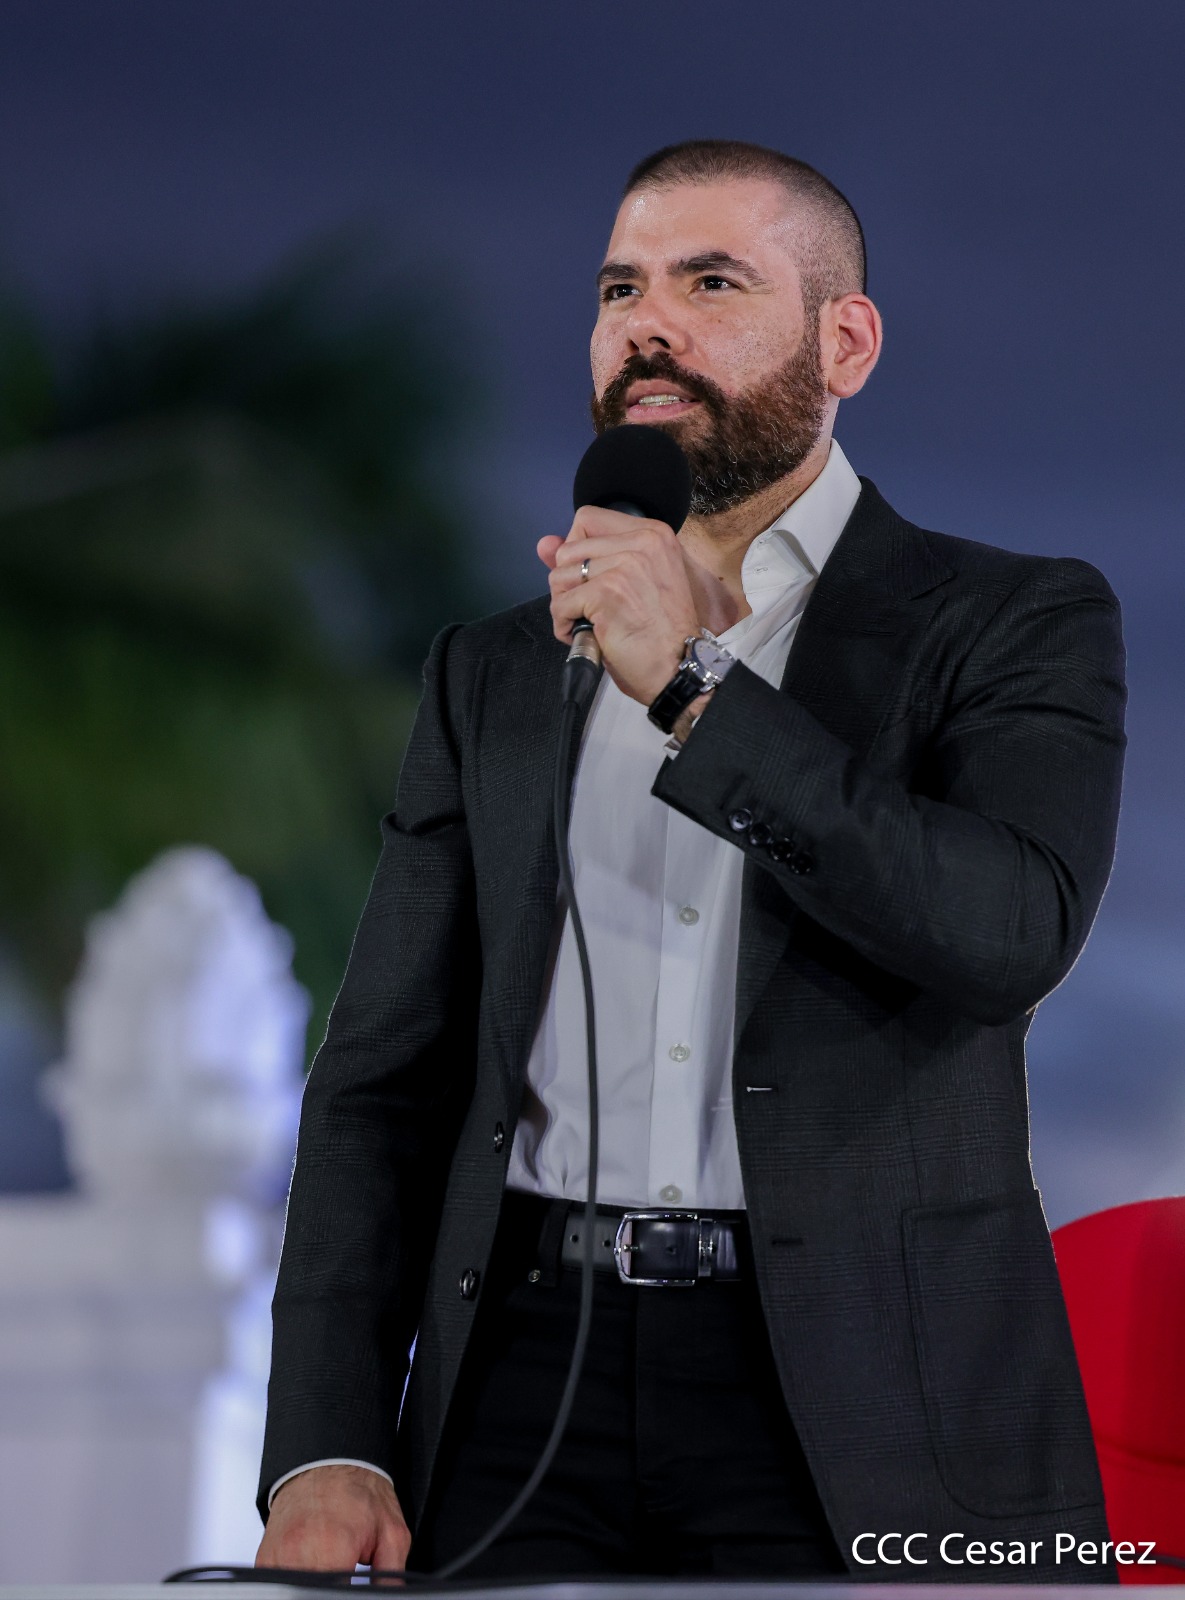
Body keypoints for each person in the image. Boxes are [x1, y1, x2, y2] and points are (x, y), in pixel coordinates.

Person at [256, 141, 1125, 1582]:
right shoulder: (493, 670)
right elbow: (381, 1081)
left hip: (868, 1392)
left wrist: (690, 690)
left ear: (844, 343)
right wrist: (326, 1442)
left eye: (711, 282)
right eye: (620, 289)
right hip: (521, 1370)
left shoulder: (1008, 620)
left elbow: (1005, 930)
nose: (646, 325)